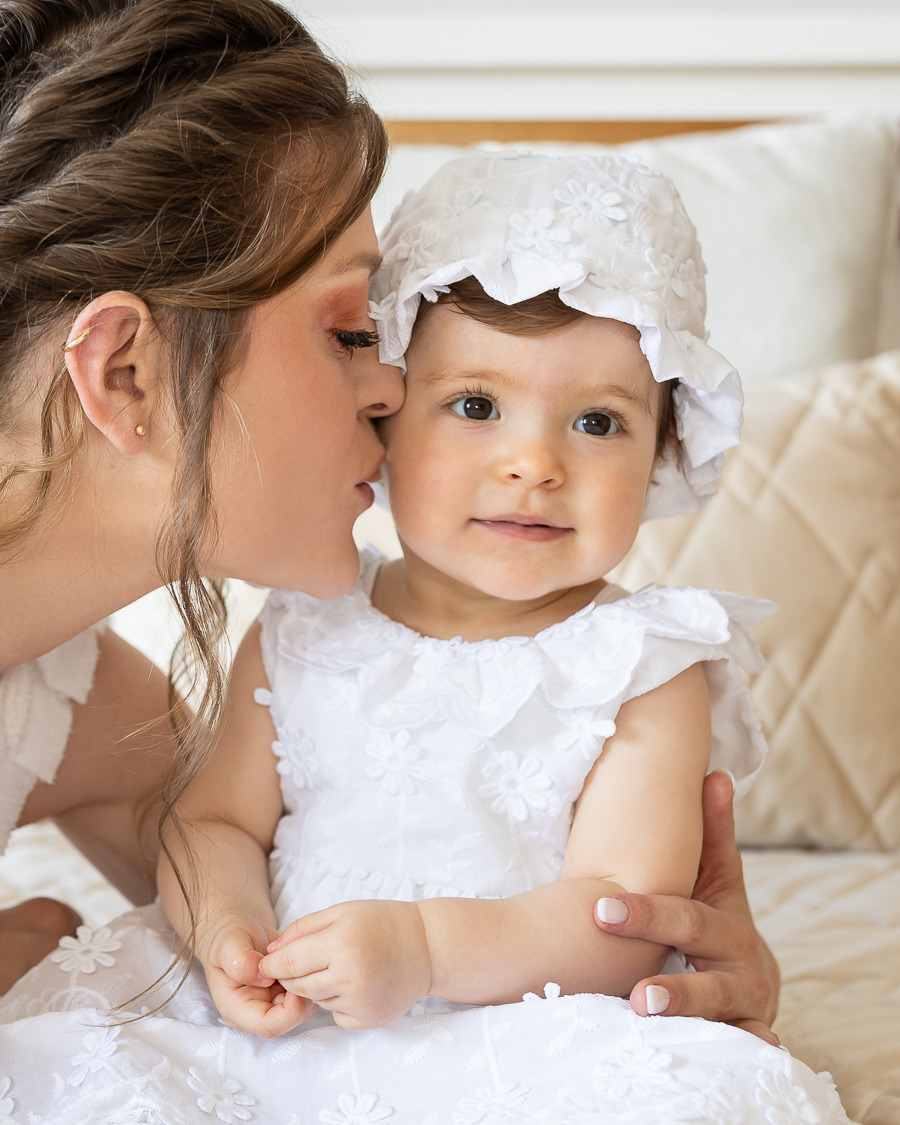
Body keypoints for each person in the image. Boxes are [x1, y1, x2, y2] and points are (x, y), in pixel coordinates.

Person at [0, 150, 849, 1123]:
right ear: (390, 418)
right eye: (477, 406)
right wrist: (228, 922)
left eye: (599, 423)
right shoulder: (309, 626)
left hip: (518, 1032)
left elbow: (621, 909)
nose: (533, 463)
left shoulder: (641, 660)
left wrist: (424, 950)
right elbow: (215, 823)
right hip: (290, 1020)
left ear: (663, 452)